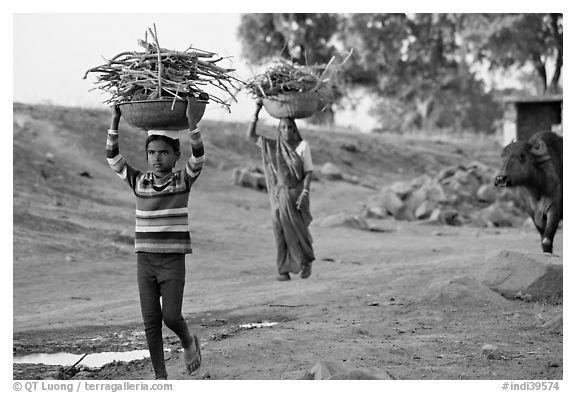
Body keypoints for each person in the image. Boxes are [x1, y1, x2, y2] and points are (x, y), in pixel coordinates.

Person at [106, 97, 204, 379]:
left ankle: (188, 342)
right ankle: (161, 378)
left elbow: (198, 158)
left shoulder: (182, 180)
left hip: (172, 260)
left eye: (163, 152)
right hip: (145, 260)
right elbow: (113, 158)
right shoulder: (139, 181)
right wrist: (115, 120)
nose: (157, 157)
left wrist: (192, 124)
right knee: (151, 321)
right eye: (152, 152)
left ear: (175, 156)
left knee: (171, 317)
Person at [247, 98, 315, 281]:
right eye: (283, 127)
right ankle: (283, 269)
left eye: (290, 128)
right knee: (279, 230)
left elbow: (308, 171)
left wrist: (305, 192)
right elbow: (251, 136)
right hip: (278, 196)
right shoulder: (272, 145)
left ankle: (306, 261)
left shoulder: (302, 146)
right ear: (279, 129)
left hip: (297, 194)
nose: (287, 131)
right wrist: (257, 111)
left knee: (299, 232)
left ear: (295, 130)